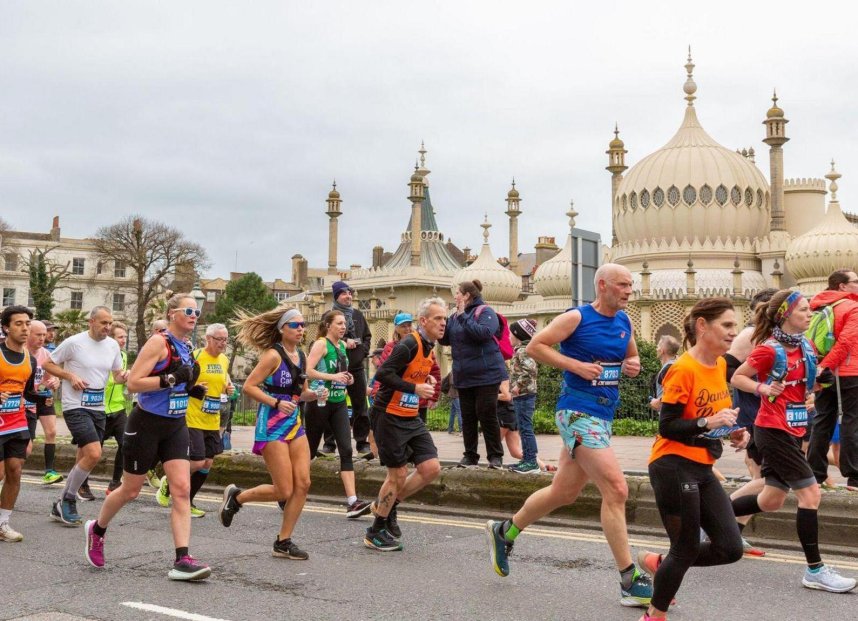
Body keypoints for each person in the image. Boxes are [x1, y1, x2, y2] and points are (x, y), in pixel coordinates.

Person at [485, 264, 652, 609]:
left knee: (564, 492)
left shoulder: (624, 322)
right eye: (622, 285)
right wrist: (575, 366)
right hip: (577, 412)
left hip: (603, 415)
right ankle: (629, 579)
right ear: (602, 285)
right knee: (617, 489)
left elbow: (631, 355)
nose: (629, 291)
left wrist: (633, 364)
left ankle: (505, 531)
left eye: (631, 285)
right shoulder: (577, 318)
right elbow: (536, 347)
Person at [730, 290, 856, 593]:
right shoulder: (769, 349)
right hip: (773, 431)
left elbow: (804, 384)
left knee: (770, 500)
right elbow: (737, 377)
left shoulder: (806, 346)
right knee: (811, 494)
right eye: (803, 310)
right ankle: (815, 570)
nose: (810, 314)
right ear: (785, 315)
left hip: (794, 428)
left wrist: (816, 388)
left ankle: (708, 515)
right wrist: (762, 388)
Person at [83, 293, 211, 581]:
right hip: (146, 424)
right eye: (188, 311)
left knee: (181, 490)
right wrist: (172, 379)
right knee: (130, 490)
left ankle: (182, 559)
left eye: (197, 312)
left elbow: (178, 380)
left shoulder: (187, 346)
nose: (194, 316)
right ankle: (98, 529)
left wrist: (190, 389)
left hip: (175, 424)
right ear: (172, 314)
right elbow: (134, 383)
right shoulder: (158, 343)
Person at [636, 298, 747, 620]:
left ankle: (661, 565)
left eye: (735, 325)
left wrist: (731, 432)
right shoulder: (683, 369)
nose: (733, 332)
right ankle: (653, 615)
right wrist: (708, 423)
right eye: (727, 325)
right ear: (702, 326)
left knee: (730, 548)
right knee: (684, 548)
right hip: (672, 465)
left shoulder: (721, 365)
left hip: (702, 465)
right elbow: (668, 426)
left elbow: (708, 417)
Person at [218, 307, 320, 560]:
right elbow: (249, 387)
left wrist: (315, 394)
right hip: (272, 424)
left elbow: (302, 393)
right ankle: (237, 497)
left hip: (294, 423)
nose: (301, 329)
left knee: (303, 484)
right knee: (283, 490)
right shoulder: (273, 356)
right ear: (282, 329)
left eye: (303, 325)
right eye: (295, 325)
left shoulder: (302, 356)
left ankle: (283, 541)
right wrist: (276, 402)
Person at [364, 297, 445, 551]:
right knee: (397, 474)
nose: (443, 323)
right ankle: (375, 531)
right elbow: (383, 373)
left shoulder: (429, 347)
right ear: (423, 321)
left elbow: (413, 375)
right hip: (388, 414)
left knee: (431, 468)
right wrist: (415, 388)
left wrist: (426, 383)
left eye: (444, 318)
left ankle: (388, 506)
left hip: (410, 415)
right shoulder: (409, 344)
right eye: (438, 318)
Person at [43, 306, 125, 517]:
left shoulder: (112, 345)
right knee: (94, 453)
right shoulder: (74, 342)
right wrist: (70, 376)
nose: (107, 327)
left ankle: (61, 503)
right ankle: (69, 499)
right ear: (91, 322)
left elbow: (117, 376)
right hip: (75, 406)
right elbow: (47, 364)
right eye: (103, 323)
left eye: (110, 323)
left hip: (98, 407)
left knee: (83, 457)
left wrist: (125, 376)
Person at [157, 323, 233, 517]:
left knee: (207, 463)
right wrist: (196, 387)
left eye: (225, 339)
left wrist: (228, 388)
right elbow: (183, 382)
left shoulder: (224, 360)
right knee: (197, 462)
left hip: (212, 418)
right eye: (219, 339)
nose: (223, 343)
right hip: (192, 417)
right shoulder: (195, 356)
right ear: (208, 338)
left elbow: (223, 382)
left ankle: (188, 502)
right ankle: (168, 482)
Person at [723, 287, 777, 556]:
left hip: (769, 415)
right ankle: (714, 520)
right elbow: (727, 368)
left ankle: (732, 533)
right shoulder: (750, 334)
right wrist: (757, 387)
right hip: (755, 414)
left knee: (760, 478)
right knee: (767, 480)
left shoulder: (773, 337)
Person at [305, 310, 371, 517]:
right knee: (309, 451)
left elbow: (341, 372)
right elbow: (307, 371)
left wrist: (348, 378)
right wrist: (333, 377)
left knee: (346, 449)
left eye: (345, 324)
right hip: (319, 402)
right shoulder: (321, 344)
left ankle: (352, 501)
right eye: (339, 323)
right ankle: (290, 491)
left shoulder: (342, 346)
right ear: (328, 325)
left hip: (339, 402)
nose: (344, 327)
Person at [440, 279, 507, 468]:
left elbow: (483, 333)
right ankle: (470, 455)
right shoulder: (454, 317)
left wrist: (463, 316)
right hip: (464, 375)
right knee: (468, 417)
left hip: (486, 374)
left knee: (486, 414)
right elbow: (445, 340)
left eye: (458, 293)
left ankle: (495, 456)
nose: (455, 296)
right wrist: (442, 321)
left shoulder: (485, 312)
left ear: (467, 295)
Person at [806, 269, 858, 489]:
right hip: (849, 372)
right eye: (856, 281)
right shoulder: (852, 307)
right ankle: (854, 476)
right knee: (852, 421)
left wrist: (820, 368)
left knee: (822, 420)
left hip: (825, 373)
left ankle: (814, 474)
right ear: (842, 286)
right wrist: (826, 365)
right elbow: (846, 342)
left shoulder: (818, 306)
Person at [0, 305, 47, 542]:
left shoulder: (31, 359)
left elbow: (27, 393)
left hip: (17, 422)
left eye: (27, 323)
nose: (25, 328)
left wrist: (43, 396)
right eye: (18, 324)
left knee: (15, 471)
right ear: (6, 328)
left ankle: (2, 523)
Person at [321, 281, 373, 459]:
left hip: (356, 367)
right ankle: (329, 444)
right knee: (331, 404)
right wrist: (344, 342)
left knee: (360, 406)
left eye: (349, 293)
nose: (348, 296)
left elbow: (367, 336)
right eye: (344, 293)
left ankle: (362, 443)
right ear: (336, 296)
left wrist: (362, 351)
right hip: (335, 368)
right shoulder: (328, 316)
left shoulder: (358, 315)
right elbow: (324, 338)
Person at [24, 320, 62, 484]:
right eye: (38, 335)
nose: (42, 338)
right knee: (27, 445)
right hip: (25, 400)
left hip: (43, 398)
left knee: (51, 432)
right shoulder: (20, 353)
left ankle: (49, 471)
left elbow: (51, 377)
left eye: (44, 335)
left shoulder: (46, 354)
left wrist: (55, 381)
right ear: (28, 334)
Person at [100, 322, 130, 495]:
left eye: (125, 337)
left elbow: (121, 380)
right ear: (111, 339)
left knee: (126, 444)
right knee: (92, 451)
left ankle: (115, 483)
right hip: (100, 409)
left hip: (118, 408)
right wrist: (119, 378)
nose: (123, 340)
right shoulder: (100, 355)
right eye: (120, 337)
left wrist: (127, 378)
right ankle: (82, 484)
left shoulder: (123, 356)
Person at [508, 318, 540, 474]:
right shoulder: (522, 350)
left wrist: (517, 386)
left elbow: (531, 370)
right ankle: (527, 459)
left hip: (524, 394)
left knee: (525, 428)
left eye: (511, 334)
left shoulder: (523, 351)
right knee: (523, 427)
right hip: (524, 394)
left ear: (518, 335)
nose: (509, 337)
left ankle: (531, 461)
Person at [144, 318, 169, 489]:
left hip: (169, 407)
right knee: (148, 444)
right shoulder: (151, 348)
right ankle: (130, 476)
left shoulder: (177, 347)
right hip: (148, 405)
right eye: (161, 331)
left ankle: (149, 469)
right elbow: (137, 381)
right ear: (155, 332)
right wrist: (170, 379)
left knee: (164, 445)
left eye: (166, 331)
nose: (165, 334)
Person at [648, 335, 680, 413]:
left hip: (671, 416)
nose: (656, 349)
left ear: (662, 350)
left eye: (658, 346)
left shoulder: (669, 368)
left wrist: (658, 401)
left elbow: (676, 392)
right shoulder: (673, 366)